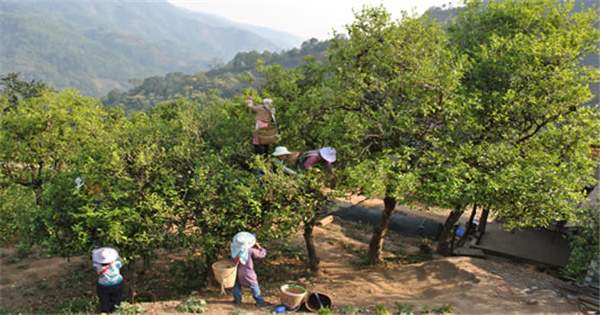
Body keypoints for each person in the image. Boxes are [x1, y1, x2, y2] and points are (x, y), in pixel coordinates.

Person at [230, 232, 267, 306]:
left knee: (236, 285)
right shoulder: (250, 250)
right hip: (248, 272)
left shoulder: (234, 249)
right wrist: (260, 247)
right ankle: (260, 302)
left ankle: (237, 300)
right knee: (254, 285)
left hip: (237, 271)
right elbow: (262, 254)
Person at [92, 247, 124, 313]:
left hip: (103, 285)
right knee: (116, 297)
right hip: (117, 283)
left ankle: (105, 311)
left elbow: (94, 263)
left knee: (104, 299)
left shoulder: (98, 266)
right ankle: (114, 310)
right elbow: (121, 263)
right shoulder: (116, 263)